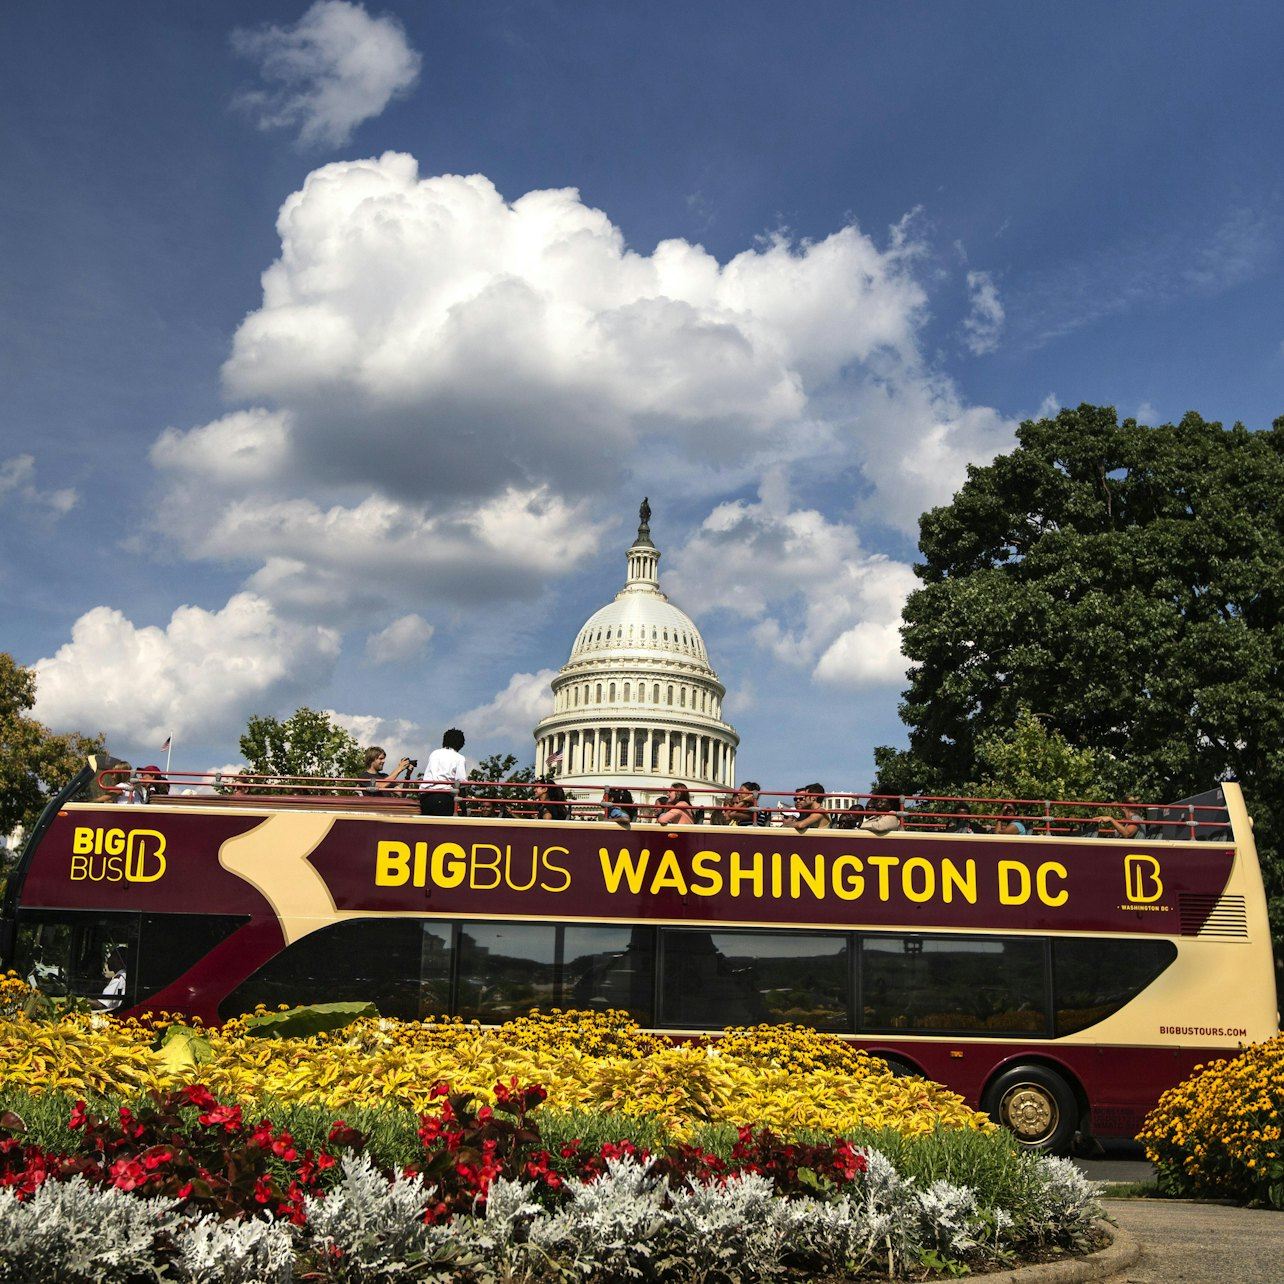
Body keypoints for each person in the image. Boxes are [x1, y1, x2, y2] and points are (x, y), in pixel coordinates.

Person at [419, 728, 467, 817]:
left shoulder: (434, 753)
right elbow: (461, 784)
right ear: (461, 744)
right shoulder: (459, 758)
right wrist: (464, 810)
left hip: (426, 797)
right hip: (445, 797)